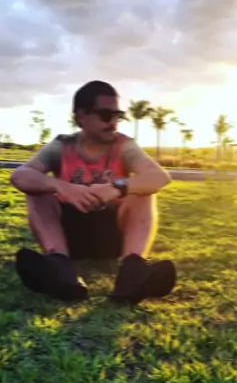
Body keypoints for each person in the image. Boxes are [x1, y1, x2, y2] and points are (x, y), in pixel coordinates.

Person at [10, 80, 176, 304]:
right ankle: (60, 269)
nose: (113, 122)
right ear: (82, 116)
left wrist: (117, 187)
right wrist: (63, 187)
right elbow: (20, 176)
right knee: (37, 190)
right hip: (69, 236)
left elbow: (160, 177)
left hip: (112, 237)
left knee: (143, 190)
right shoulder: (62, 146)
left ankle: (133, 271)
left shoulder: (124, 146)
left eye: (118, 115)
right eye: (106, 115)